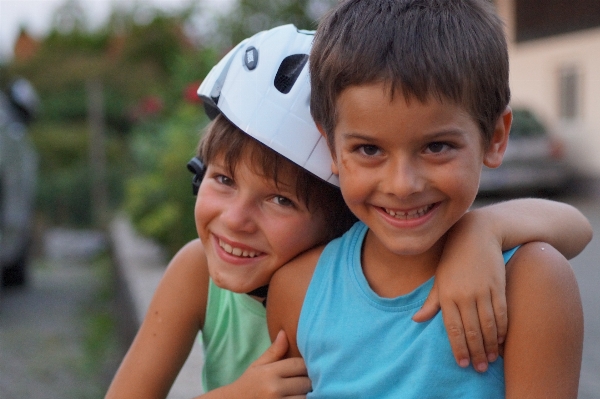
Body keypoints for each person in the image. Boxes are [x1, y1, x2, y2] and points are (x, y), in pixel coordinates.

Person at [106, 24, 592, 399]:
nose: (236, 219)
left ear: (341, 215)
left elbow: (575, 226)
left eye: (281, 199)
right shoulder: (197, 273)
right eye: (223, 179)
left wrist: (484, 229)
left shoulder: (330, 280)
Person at [267, 2, 589, 398]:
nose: (402, 185)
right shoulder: (297, 289)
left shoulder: (529, 282)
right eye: (369, 150)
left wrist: (484, 228)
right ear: (330, 145)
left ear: (495, 138)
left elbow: (579, 226)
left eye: (437, 146)